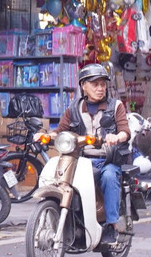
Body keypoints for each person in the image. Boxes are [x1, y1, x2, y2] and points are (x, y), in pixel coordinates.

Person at [55, 63, 130, 245]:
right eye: (95, 84)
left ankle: (111, 225)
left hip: (107, 160)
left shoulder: (116, 106)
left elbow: (125, 131)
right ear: (83, 86)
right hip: (81, 161)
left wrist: (116, 137)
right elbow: (60, 131)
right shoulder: (74, 108)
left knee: (110, 176)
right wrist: (44, 136)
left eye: (103, 84)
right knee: (61, 180)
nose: (100, 88)